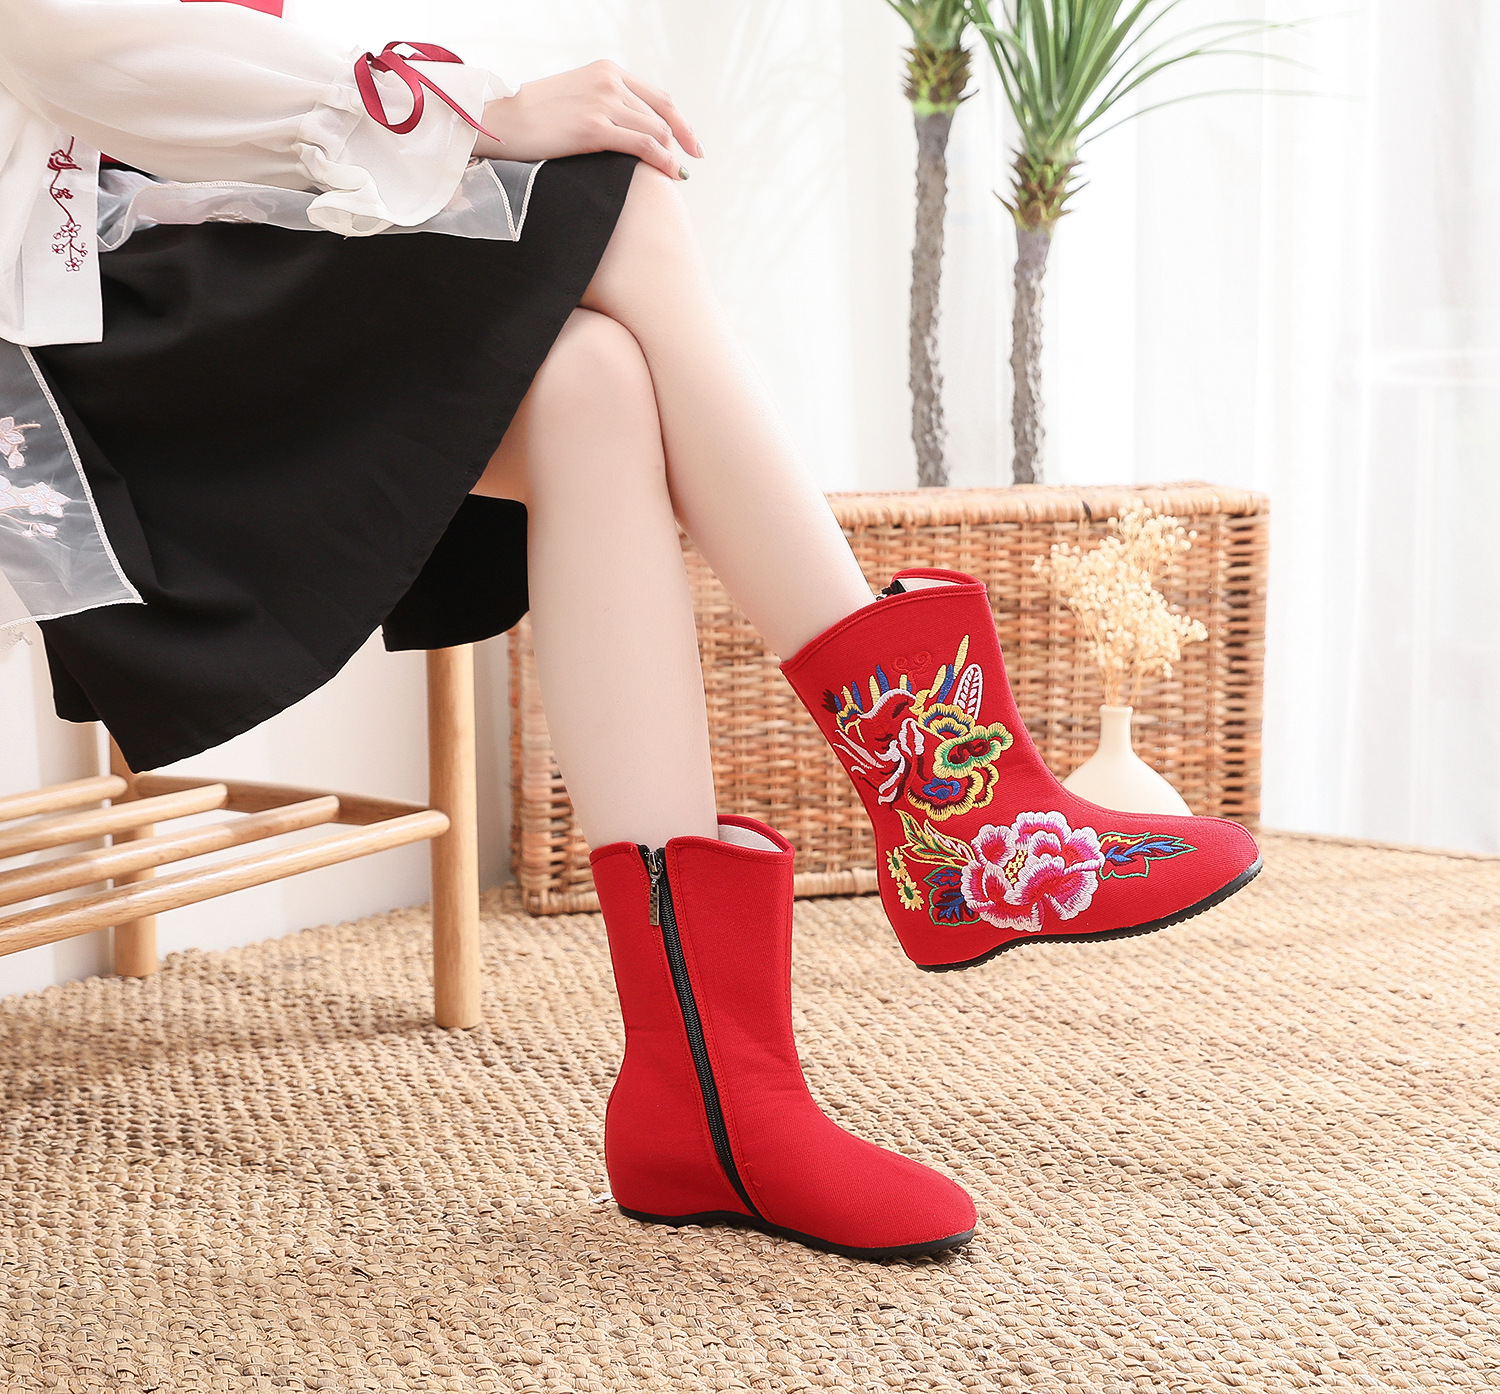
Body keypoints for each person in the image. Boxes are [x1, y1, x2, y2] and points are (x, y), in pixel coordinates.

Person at [0, 0, 1260, 1261]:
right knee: (613, 192)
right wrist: (470, 113)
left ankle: (702, 1098)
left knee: (591, 382)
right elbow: (62, 34)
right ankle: (954, 807)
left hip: (140, 239)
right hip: (58, 311)